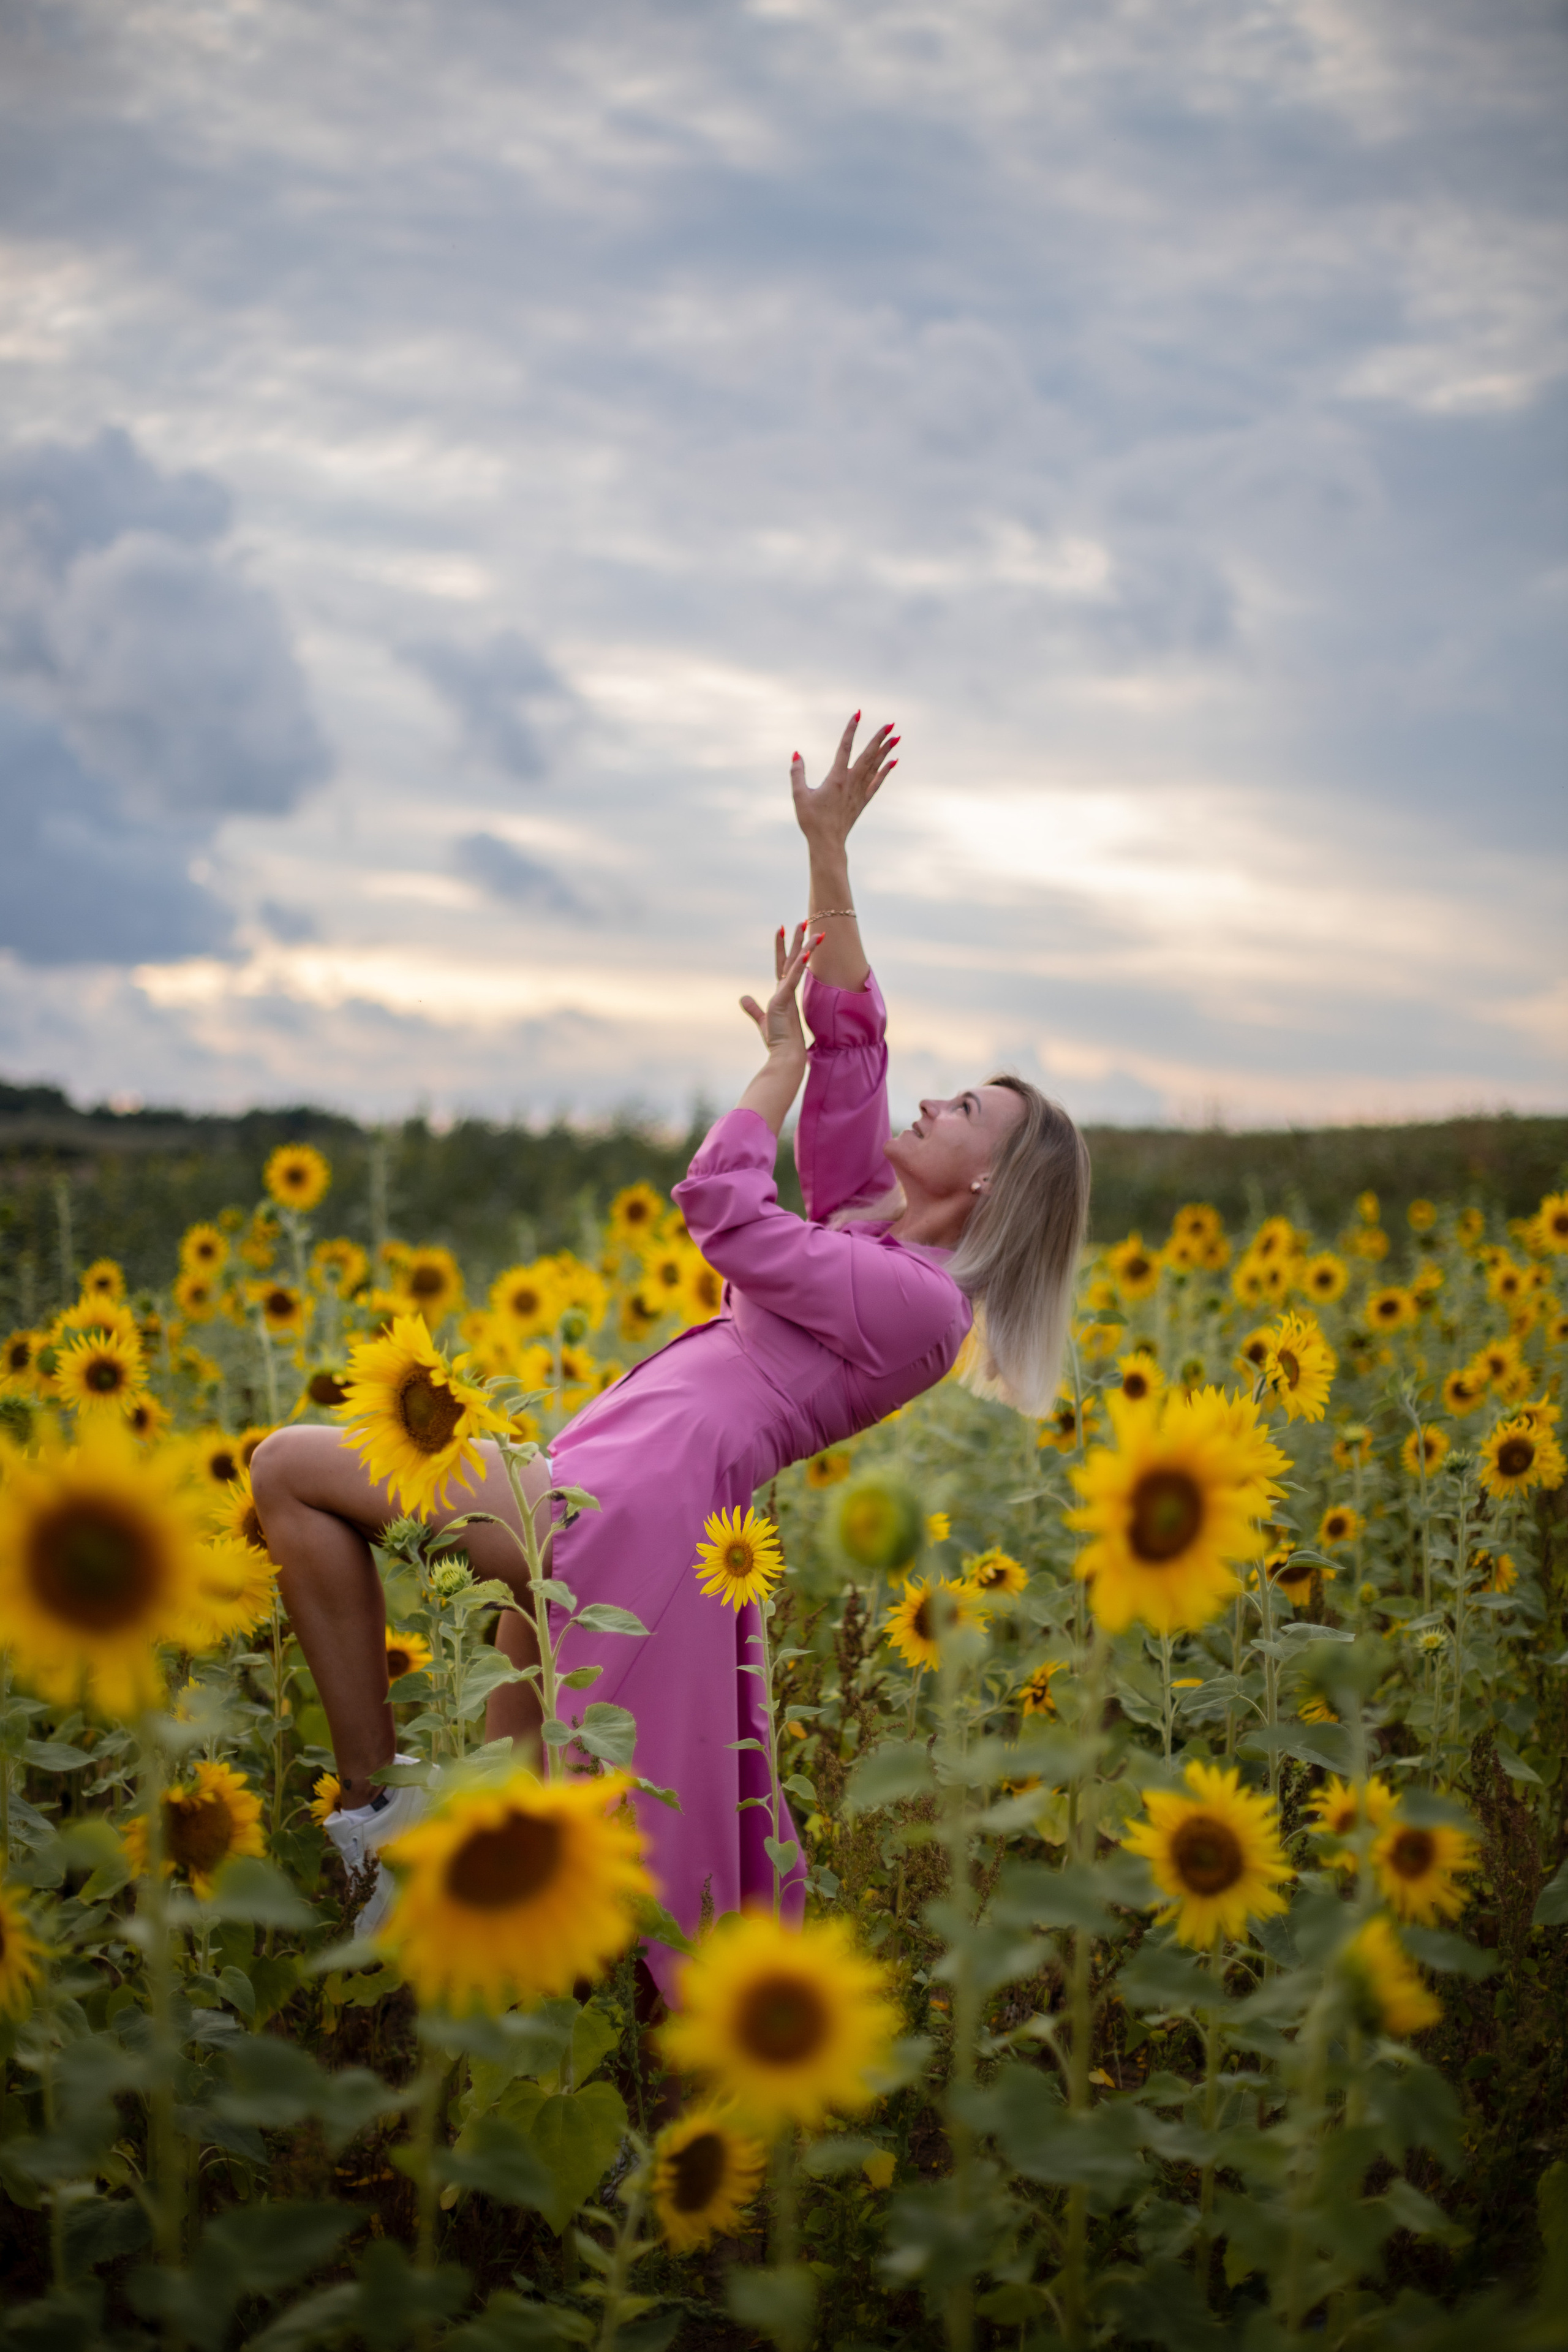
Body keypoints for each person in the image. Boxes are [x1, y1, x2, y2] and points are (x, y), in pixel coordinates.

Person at [251, 714, 1090, 1991]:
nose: (931, 1101)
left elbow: (724, 1208)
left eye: (964, 1108)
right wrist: (827, 851)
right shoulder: (868, 1224)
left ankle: (371, 1819)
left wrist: (768, 1074)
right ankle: (442, 1960)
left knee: (292, 1468)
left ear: (990, 1184)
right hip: (604, 1484)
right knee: (520, 1843)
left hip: (616, 1515)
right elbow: (857, 1040)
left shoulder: (920, 1308)